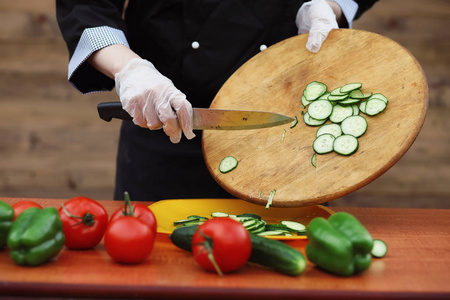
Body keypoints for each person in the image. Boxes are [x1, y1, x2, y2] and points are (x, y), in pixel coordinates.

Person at [56, 0, 378, 202]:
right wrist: (129, 69)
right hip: (168, 131)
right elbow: (85, 4)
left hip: (289, 143)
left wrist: (329, 4)